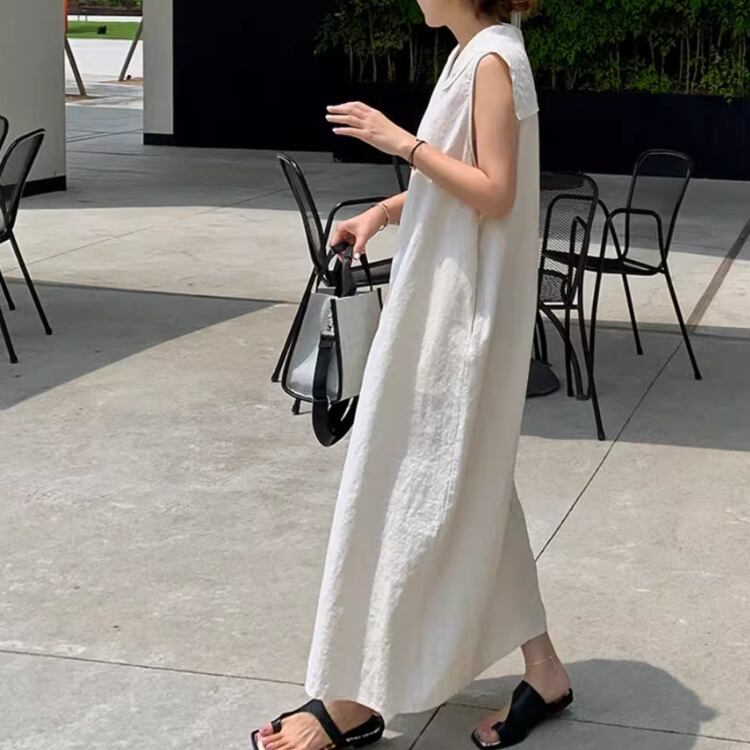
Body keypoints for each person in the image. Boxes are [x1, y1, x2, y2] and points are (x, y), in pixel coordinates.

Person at [251, 1, 573, 748]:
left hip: (460, 319)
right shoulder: (477, 53)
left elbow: (496, 190)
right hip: (450, 303)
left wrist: (399, 141)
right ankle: (545, 669)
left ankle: (359, 698)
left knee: (411, 484)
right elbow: (465, 177)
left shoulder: (493, 60)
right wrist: (387, 211)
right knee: (472, 481)